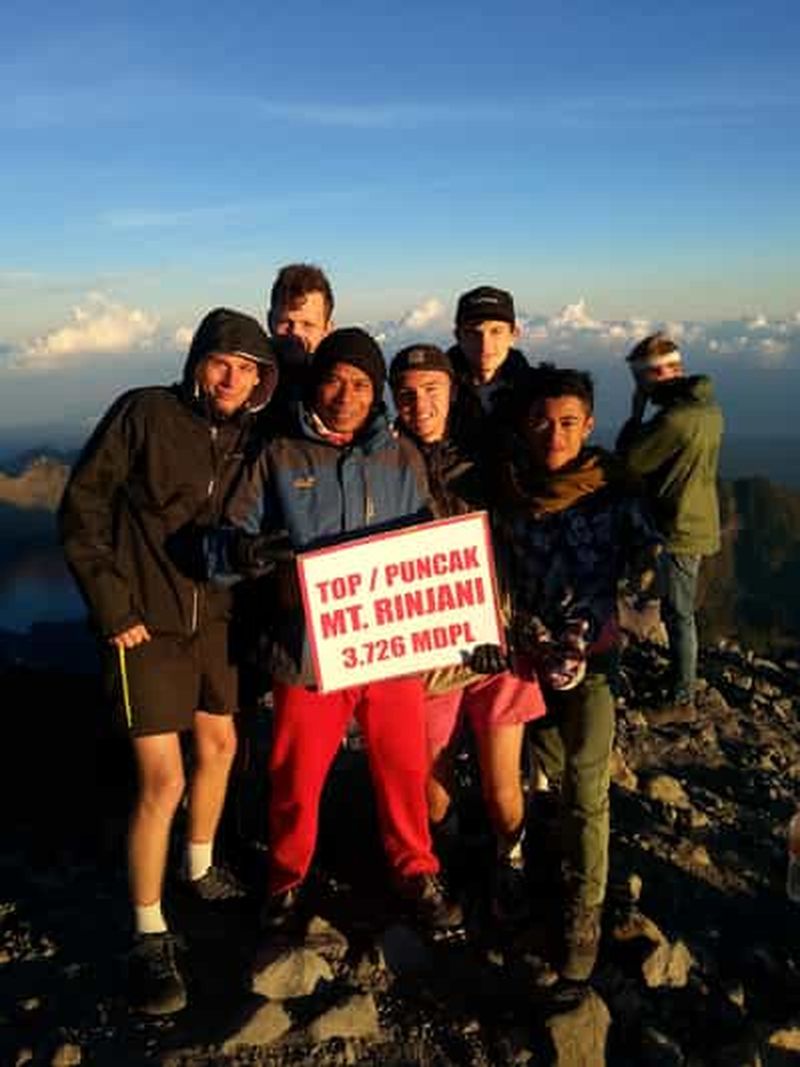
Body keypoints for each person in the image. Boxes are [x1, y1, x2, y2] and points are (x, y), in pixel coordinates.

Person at [58, 308, 278, 1015]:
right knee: (164, 778)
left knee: (221, 744)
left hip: (213, 621)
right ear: (197, 360)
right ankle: (148, 930)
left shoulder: (251, 437)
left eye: (248, 369)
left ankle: (200, 864)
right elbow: (83, 505)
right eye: (223, 362)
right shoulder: (145, 412)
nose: (233, 378)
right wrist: (111, 605)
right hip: (145, 626)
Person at [215, 328, 463, 936]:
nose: (345, 394)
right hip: (308, 652)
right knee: (296, 774)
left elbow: (433, 545)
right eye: (334, 379)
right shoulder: (279, 454)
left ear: (375, 390)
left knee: (405, 769)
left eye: (359, 383)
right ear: (314, 382)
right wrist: (250, 552)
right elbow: (223, 539)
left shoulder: (401, 457)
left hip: (390, 650)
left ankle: (414, 870)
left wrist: (460, 619)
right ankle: (286, 879)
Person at [491, 365, 660, 981]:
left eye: (567, 422)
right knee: (553, 774)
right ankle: (560, 870)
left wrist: (623, 616)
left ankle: (583, 909)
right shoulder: (512, 493)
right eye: (541, 420)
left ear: (589, 426)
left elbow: (649, 565)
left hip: (593, 662)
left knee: (588, 785)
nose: (553, 434)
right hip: (531, 662)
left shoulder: (614, 494)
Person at [389, 343, 546, 922]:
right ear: (393, 400)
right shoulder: (382, 463)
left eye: (432, 390)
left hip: (494, 637)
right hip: (431, 644)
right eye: (407, 393)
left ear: (453, 393)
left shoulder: (490, 457)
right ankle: (452, 853)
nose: (420, 403)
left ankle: (510, 862)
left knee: (502, 778)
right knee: (432, 766)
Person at [617, 332, 723, 724]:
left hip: (680, 526)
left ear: (656, 375)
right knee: (679, 608)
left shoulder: (674, 420)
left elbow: (629, 461)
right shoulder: (707, 409)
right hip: (696, 516)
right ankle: (679, 678)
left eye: (639, 378)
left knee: (679, 612)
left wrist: (636, 412)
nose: (638, 385)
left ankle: (682, 697)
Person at [447, 284, 530, 452]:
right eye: (473, 333)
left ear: (513, 335)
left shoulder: (534, 391)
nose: (485, 345)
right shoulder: (438, 392)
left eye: (496, 331)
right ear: (458, 336)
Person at [263, 263, 335, 433]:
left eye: (308, 325)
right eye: (285, 322)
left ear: (327, 329)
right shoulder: (246, 379)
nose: (295, 333)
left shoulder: (341, 386)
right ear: (269, 321)